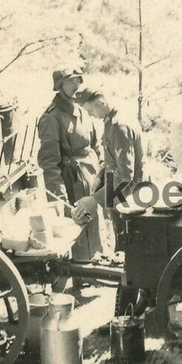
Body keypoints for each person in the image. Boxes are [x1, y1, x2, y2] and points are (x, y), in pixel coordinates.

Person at [72, 83, 146, 313]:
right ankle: (133, 309)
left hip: (128, 201)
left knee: (129, 261)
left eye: (91, 110)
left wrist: (94, 200)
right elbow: (113, 160)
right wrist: (101, 174)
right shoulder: (112, 120)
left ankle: (124, 317)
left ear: (101, 101)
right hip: (120, 196)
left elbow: (126, 176)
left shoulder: (119, 126)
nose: (91, 116)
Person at [37, 63, 102, 264]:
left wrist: (101, 175)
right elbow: (49, 164)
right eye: (70, 81)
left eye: (77, 80)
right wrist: (60, 199)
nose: (76, 85)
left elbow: (95, 145)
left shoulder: (81, 110)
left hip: (92, 177)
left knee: (98, 227)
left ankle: (98, 264)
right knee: (76, 229)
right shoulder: (51, 117)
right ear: (59, 85)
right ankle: (80, 274)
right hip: (71, 182)